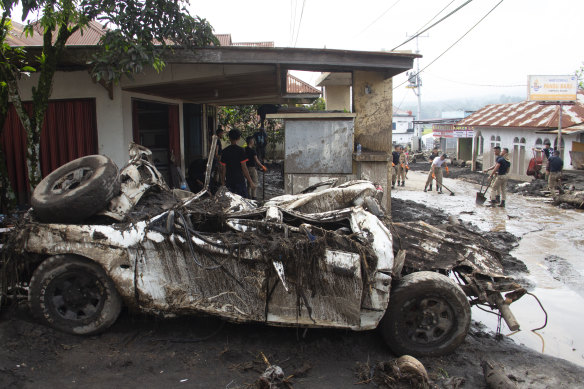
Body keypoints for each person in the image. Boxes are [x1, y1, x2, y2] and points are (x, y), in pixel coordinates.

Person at [220, 129, 256, 198]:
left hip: (229, 180)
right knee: (243, 201)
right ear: (239, 138)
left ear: (229, 138)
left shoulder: (224, 151)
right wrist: (251, 182)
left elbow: (223, 169)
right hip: (239, 180)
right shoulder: (241, 151)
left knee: (231, 201)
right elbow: (244, 168)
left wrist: (222, 182)